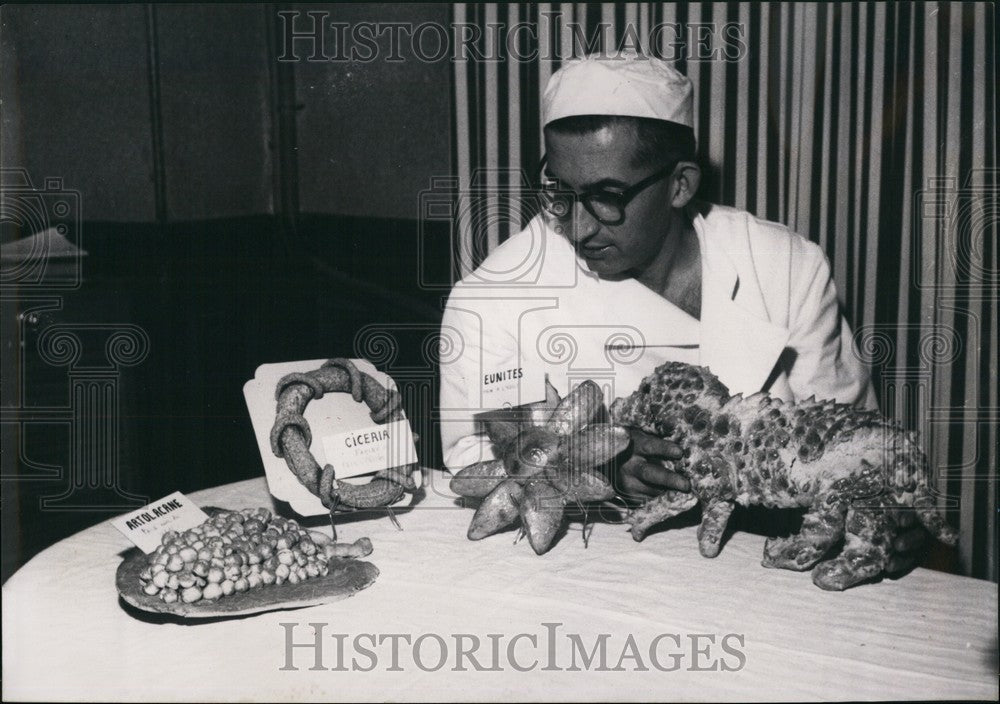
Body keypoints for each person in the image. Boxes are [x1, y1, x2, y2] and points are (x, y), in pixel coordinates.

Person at [438, 53, 923, 572]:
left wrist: (882, 509)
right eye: (560, 191)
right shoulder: (494, 297)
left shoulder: (785, 268)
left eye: (607, 196)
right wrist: (601, 470)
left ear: (680, 184)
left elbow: (852, 439)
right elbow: (470, 459)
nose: (576, 228)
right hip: (603, 568)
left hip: (774, 559)